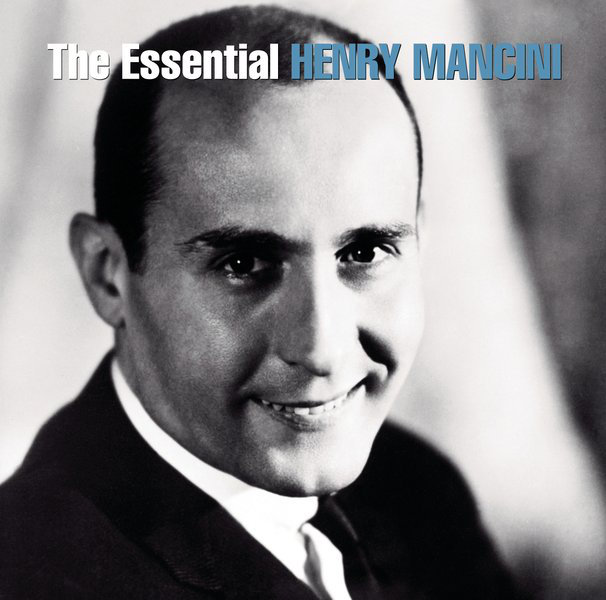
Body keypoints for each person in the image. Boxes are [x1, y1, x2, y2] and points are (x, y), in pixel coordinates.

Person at [0, 6, 516, 599]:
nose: (321, 350)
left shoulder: (418, 496)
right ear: (107, 275)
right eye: (243, 264)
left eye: (365, 252)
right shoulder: (35, 575)